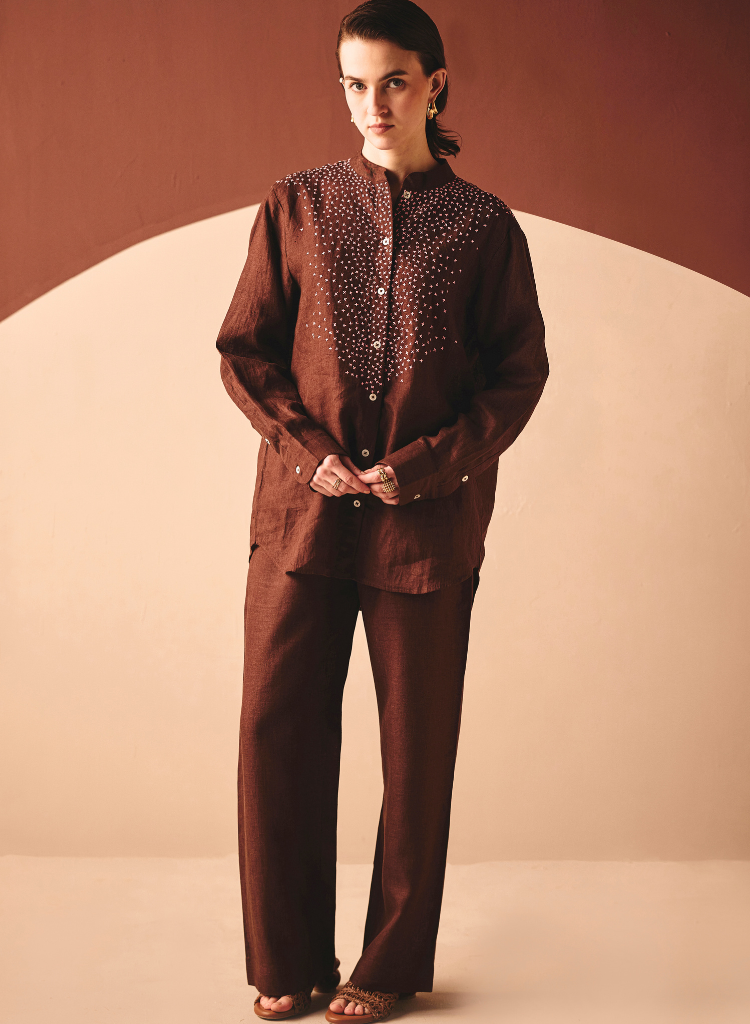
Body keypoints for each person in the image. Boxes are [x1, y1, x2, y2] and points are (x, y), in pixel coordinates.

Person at [215, 2, 549, 1020]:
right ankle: (287, 963)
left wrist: (431, 466)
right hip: (303, 517)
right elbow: (246, 351)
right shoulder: (298, 205)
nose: (373, 103)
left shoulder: (485, 227)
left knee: (416, 749)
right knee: (277, 730)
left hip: (425, 527)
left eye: (394, 81)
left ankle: (389, 965)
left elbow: (518, 373)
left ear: (435, 85)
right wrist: (308, 452)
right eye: (355, 84)